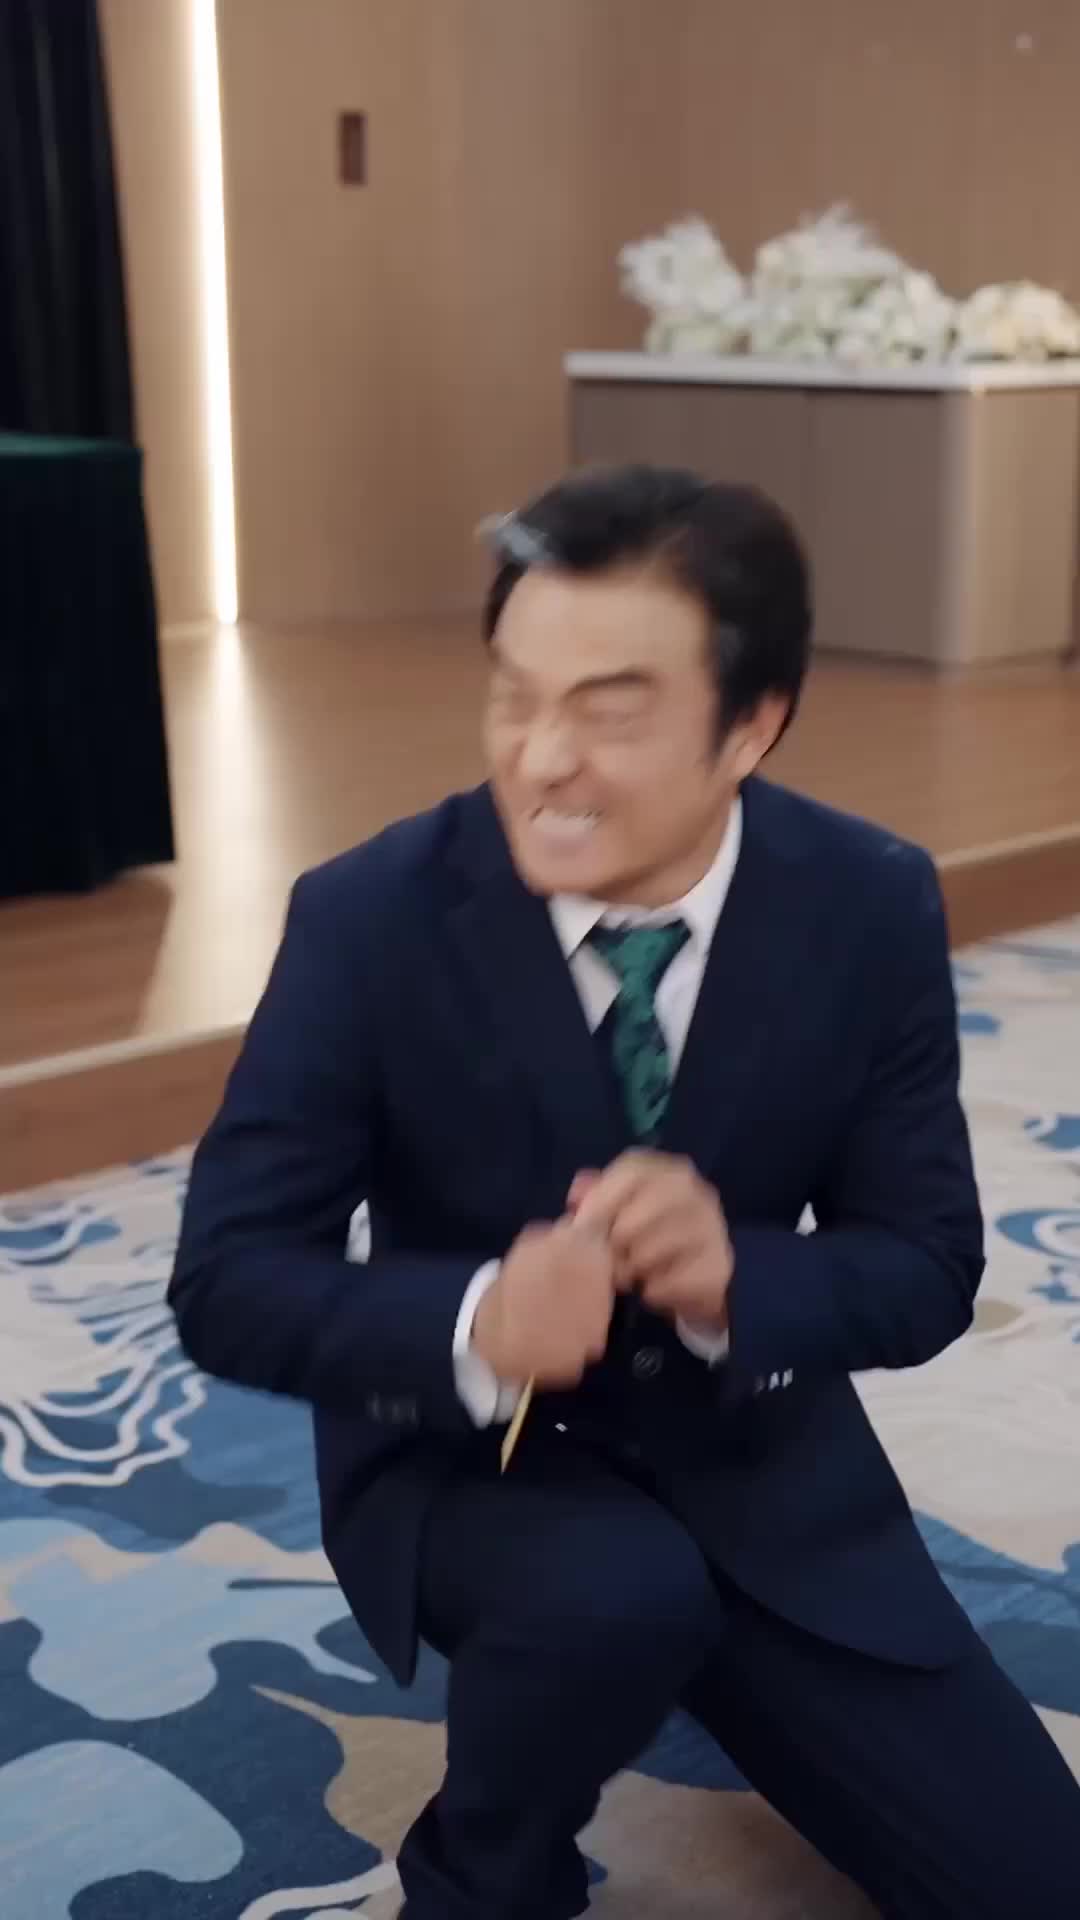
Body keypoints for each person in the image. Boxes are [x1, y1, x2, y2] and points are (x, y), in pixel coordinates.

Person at [170, 464, 1080, 1919]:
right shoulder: (368, 917)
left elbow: (924, 1264)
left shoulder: (868, 901)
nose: (543, 759)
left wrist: (740, 1278)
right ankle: (481, 1870)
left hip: (764, 1478)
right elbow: (226, 1279)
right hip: (472, 1466)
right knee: (614, 1597)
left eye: (610, 711)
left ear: (753, 724)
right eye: (514, 697)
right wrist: (476, 1319)